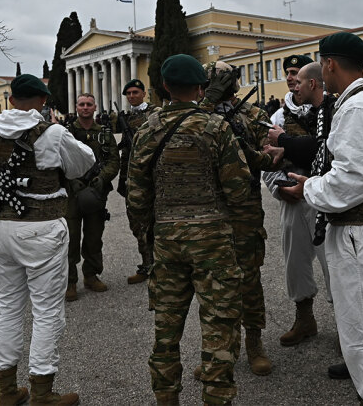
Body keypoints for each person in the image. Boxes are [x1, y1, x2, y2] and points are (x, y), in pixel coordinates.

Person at [284, 32, 363, 405]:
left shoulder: (359, 108)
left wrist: (309, 188)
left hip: (360, 231)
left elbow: (355, 178)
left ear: (329, 64)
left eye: (321, 64)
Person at [126, 54, 250, 406]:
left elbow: (136, 195)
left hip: (168, 240)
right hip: (213, 241)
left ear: (165, 87)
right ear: (200, 88)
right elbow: (239, 190)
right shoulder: (216, 128)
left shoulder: (147, 130)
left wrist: (149, 236)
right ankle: (216, 397)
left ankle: (166, 398)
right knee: (219, 327)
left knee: (166, 332)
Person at [0, 74, 95, 406]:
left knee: (8, 308)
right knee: (46, 311)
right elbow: (83, 163)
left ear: (11, 100)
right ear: (43, 101)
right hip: (43, 227)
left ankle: (7, 391)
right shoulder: (52, 133)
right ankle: (42, 392)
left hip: (3, 227)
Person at [202, 60, 279, 376]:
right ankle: (219, 350)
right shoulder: (197, 114)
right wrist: (208, 104)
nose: (221, 83)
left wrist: (249, 151)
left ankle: (254, 342)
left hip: (245, 209)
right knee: (212, 282)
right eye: (214, 78)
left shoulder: (253, 114)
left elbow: (271, 155)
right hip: (210, 208)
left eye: (224, 77)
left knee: (248, 278)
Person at [263, 60, 332, 349]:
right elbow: (267, 158)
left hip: (326, 199)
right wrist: (279, 189)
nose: (291, 79)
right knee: (295, 261)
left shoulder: (329, 111)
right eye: (288, 74)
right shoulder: (279, 116)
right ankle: (304, 319)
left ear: (311, 80)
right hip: (293, 198)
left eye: (297, 74)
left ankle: (348, 326)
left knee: (334, 261)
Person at [64, 92, 120, 301]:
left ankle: (91, 275)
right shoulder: (66, 133)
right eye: (82, 104)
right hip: (71, 195)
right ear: (76, 107)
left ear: (95, 107)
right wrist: (71, 180)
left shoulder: (104, 133)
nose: (85, 107)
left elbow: (114, 161)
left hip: (96, 193)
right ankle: (70, 281)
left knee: (94, 237)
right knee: (70, 238)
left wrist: (102, 178)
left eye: (89, 104)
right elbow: (58, 159)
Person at [114, 79, 157, 284]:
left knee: (155, 223)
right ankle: (147, 264)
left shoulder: (155, 113)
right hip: (132, 176)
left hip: (151, 175)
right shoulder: (127, 117)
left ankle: (160, 265)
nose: (131, 96)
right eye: (128, 93)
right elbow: (125, 149)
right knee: (137, 225)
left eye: (135, 92)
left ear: (143, 93)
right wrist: (123, 178)